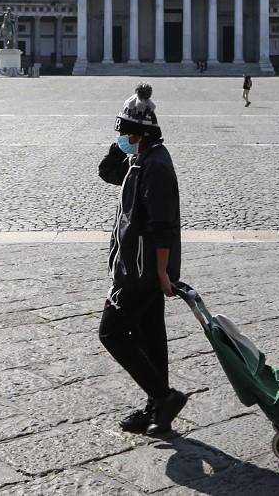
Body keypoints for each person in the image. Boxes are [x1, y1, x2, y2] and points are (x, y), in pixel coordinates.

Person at [97, 84, 187, 437]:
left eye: (123, 132)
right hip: (139, 266)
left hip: (140, 271)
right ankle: (157, 409)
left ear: (141, 134)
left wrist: (163, 273)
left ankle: (164, 397)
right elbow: (107, 171)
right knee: (151, 335)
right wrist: (121, 143)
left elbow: (162, 226)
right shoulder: (140, 159)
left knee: (111, 332)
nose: (119, 137)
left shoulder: (156, 166)